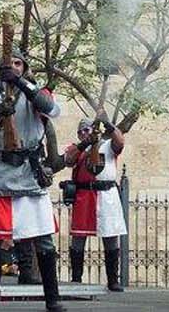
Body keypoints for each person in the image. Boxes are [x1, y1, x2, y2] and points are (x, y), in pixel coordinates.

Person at [0, 47, 63, 312]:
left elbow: (52, 110)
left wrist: (21, 83)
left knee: (44, 242)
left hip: (30, 176)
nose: (14, 67)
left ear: (24, 67)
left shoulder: (36, 94)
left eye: (18, 64)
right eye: (9, 64)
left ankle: (52, 299)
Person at [62, 116, 127, 291]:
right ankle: (76, 279)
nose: (84, 133)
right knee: (78, 239)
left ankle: (113, 280)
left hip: (106, 195)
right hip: (84, 196)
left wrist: (107, 123)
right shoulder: (76, 148)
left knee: (110, 237)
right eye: (81, 131)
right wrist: (85, 144)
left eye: (87, 130)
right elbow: (68, 160)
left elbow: (120, 141)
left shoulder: (107, 145)